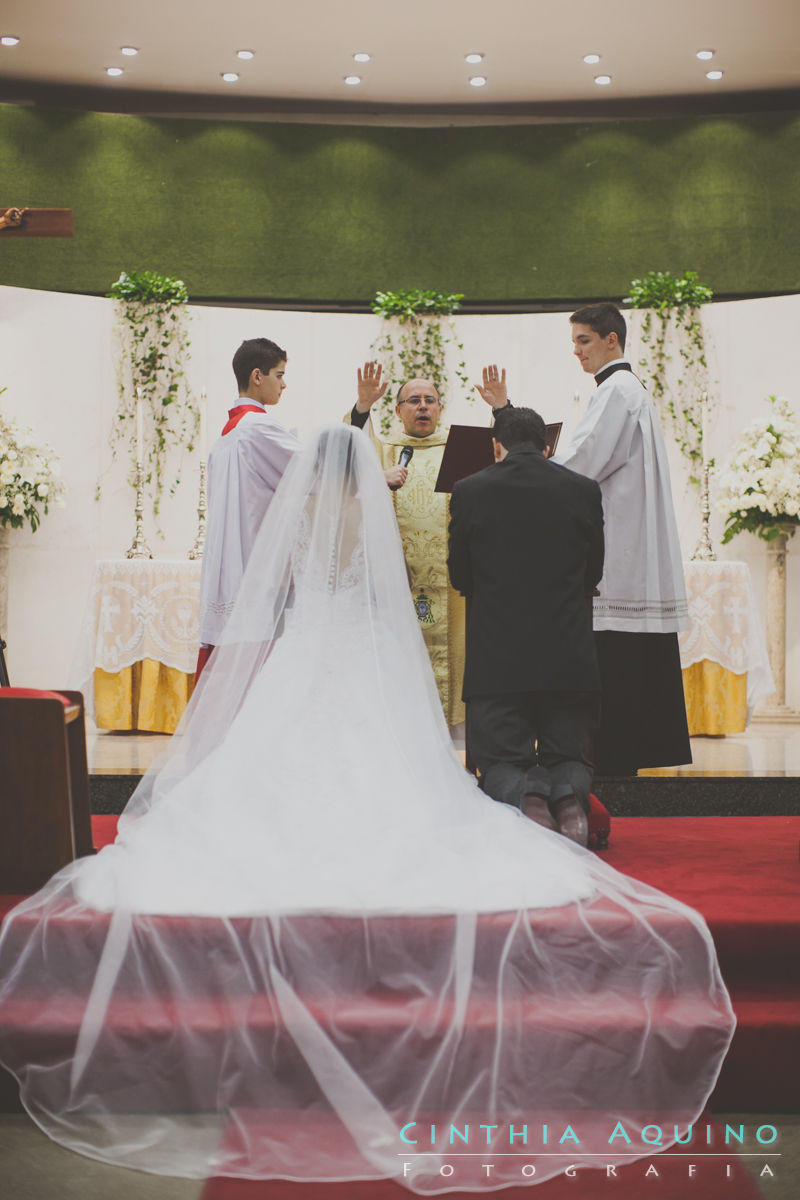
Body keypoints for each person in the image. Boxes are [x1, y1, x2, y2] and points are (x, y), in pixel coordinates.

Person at [0, 427, 733, 1194]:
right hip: (365, 648)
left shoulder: (300, 511)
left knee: (272, 768)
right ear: (361, 468)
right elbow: (396, 590)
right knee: (386, 763)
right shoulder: (371, 513)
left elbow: (281, 592)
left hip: (307, 648)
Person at [448, 407, 604, 847]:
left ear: (496, 446)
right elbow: (594, 571)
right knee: (569, 754)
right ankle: (570, 801)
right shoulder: (583, 490)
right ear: (548, 446)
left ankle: (529, 798)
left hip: (498, 658)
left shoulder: (469, 490)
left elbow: (461, 575)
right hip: (568, 655)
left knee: (499, 761)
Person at [553, 303, 691, 776]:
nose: (576, 351)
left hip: (618, 549)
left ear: (612, 339)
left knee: (614, 660)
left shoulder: (615, 390)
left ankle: (611, 763)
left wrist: (528, 469)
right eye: (574, 342)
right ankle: (625, 759)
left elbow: (585, 460)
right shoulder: (629, 389)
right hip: (629, 542)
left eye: (584, 340)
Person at [346, 362, 509, 733]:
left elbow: (505, 461)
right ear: (398, 410)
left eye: (430, 400)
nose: (422, 407)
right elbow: (349, 458)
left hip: (454, 582)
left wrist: (501, 409)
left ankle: (458, 741)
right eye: (413, 400)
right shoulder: (384, 451)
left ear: (439, 409)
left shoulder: (463, 449)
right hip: (397, 580)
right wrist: (361, 408)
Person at [196, 337, 300, 675]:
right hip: (257, 565)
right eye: (279, 375)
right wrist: (373, 474)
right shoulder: (259, 427)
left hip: (230, 566)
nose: (284, 384)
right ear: (257, 375)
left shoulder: (226, 437)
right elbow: (311, 468)